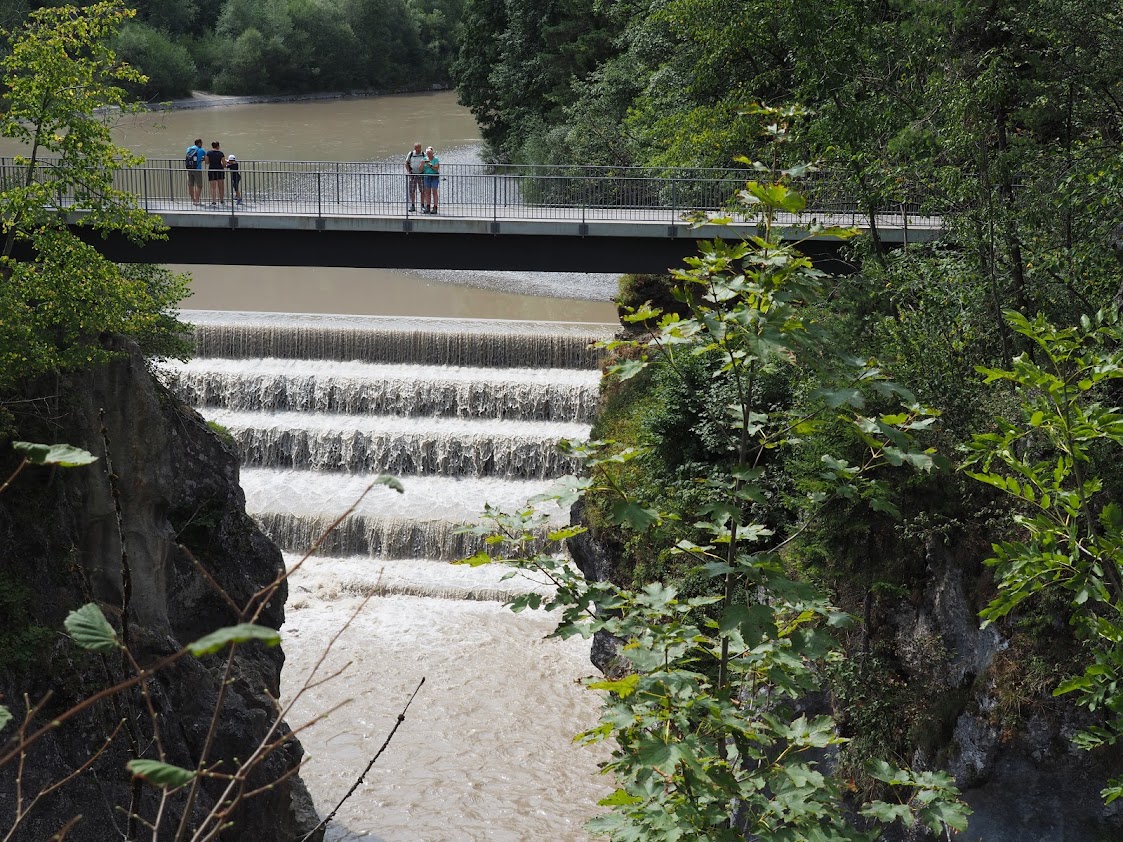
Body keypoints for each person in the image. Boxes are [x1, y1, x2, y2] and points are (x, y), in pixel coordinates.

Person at [405, 142, 426, 212]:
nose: (418, 150)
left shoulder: (423, 154)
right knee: (412, 191)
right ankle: (412, 205)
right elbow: (406, 163)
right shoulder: (411, 154)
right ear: (414, 148)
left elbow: (427, 163)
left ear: (421, 148)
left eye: (419, 149)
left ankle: (422, 205)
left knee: (422, 191)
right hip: (413, 175)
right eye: (416, 149)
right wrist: (408, 171)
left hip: (421, 175)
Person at [205, 140, 226, 206]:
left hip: (212, 170)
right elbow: (224, 163)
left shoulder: (208, 153)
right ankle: (221, 200)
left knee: (213, 187)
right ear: (218, 146)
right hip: (220, 170)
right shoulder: (221, 153)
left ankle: (213, 201)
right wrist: (223, 164)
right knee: (221, 186)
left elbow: (207, 162)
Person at [421, 146, 440, 214]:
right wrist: (422, 163)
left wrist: (430, 165)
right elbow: (420, 168)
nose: (428, 154)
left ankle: (435, 207)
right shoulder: (424, 159)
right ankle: (428, 207)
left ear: (432, 153)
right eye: (427, 153)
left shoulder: (436, 159)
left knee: (434, 192)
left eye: (430, 153)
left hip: (434, 177)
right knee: (427, 192)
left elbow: (436, 168)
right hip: (426, 177)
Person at [185, 137, 204, 205]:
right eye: (201, 143)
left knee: (190, 185)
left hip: (189, 168)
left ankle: (193, 200)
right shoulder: (201, 150)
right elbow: (206, 159)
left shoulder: (188, 149)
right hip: (197, 169)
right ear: (199, 143)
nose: (202, 144)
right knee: (199, 185)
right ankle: (197, 200)